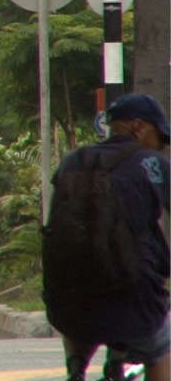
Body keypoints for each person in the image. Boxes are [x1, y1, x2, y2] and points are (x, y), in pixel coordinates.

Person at [46, 93, 170, 381]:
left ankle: (76, 366)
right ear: (138, 127)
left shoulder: (73, 161)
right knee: (160, 349)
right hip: (136, 298)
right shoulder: (152, 164)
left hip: (67, 304)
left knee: (79, 300)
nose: (162, 147)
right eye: (160, 137)